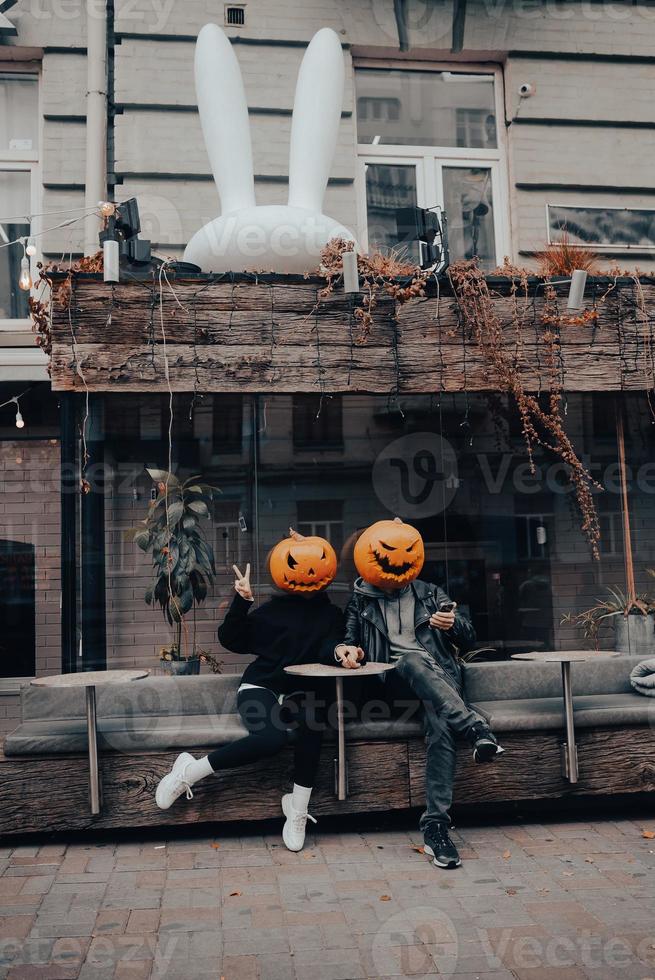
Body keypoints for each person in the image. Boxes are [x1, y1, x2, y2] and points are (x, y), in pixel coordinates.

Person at [155, 529, 344, 852]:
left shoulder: (333, 616)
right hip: (261, 686)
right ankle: (190, 771)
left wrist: (343, 651)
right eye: (299, 564)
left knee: (313, 723)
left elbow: (331, 647)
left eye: (317, 564)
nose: (309, 572)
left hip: (302, 693)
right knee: (271, 738)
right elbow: (233, 640)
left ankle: (297, 810)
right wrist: (242, 603)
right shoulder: (271, 612)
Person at [336, 517, 503, 870]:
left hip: (438, 687)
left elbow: (469, 637)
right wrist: (347, 652)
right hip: (391, 688)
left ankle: (436, 829)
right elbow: (349, 643)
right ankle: (475, 728)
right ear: (369, 556)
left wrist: (453, 624)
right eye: (388, 552)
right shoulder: (360, 601)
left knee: (440, 724)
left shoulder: (430, 593)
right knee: (410, 661)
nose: (398, 560)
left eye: (407, 551)